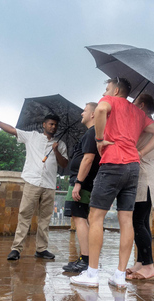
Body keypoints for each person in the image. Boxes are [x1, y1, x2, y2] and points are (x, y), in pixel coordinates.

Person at [70, 78, 154, 289]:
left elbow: (101, 110)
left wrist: (99, 139)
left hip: (112, 162)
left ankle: (92, 274)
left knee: (95, 216)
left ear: (115, 89)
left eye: (107, 88)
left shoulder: (109, 100)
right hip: (133, 167)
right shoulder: (139, 112)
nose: (105, 92)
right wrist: (140, 152)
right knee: (127, 220)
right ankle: (120, 275)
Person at [0, 109, 68, 260]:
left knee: (45, 219)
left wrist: (56, 151)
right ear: (44, 125)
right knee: (24, 216)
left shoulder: (60, 144)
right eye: (51, 124)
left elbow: (64, 164)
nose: (53, 127)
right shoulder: (32, 137)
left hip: (49, 185)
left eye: (55, 125)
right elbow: (12, 130)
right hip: (32, 182)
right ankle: (16, 249)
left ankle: (41, 249)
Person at [126, 94, 154, 281]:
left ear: (141, 105)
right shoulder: (144, 121)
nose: (132, 106)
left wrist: (140, 152)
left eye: (134, 103)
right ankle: (141, 262)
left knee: (137, 222)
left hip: (147, 174)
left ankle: (149, 266)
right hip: (150, 173)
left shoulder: (144, 120)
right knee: (143, 221)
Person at [62, 102, 101, 273]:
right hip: (81, 181)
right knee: (79, 218)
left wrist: (78, 183)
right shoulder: (91, 133)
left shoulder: (93, 132)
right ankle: (83, 258)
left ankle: (86, 259)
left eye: (84, 111)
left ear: (93, 114)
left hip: (82, 182)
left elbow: (88, 159)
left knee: (79, 218)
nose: (81, 114)